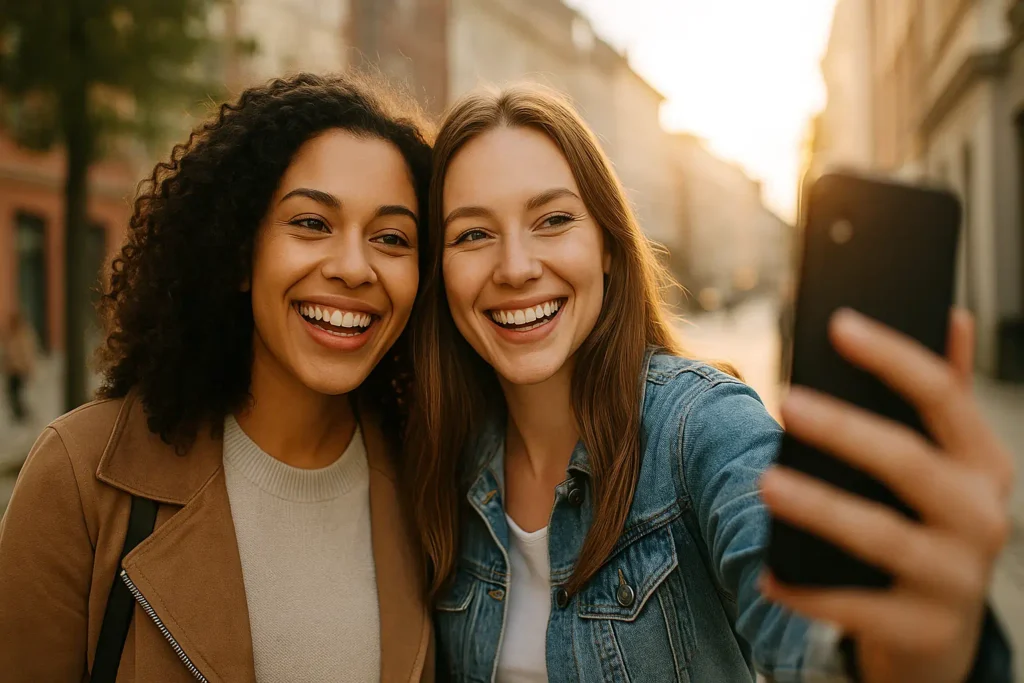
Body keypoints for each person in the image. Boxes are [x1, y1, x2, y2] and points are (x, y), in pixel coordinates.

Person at [406, 85, 1014, 682]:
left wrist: (911, 654)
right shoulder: (445, 458)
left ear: (608, 248)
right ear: (440, 269)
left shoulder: (704, 427)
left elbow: (809, 636)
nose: (516, 267)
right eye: (472, 234)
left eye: (554, 220)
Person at [0, 73, 435, 682]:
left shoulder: (432, 485)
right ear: (238, 253)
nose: (353, 268)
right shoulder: (78, 479)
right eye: (311, 223)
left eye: (391, 238)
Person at [2, 311, 38, 424]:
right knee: (12, 394)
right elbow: (7, 353)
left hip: (19, 370)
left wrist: (28, 368)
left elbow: (27, 354)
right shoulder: (11, 336)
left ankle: (23, 415)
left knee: (17, 394)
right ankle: (20, 415)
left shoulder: (24, 336)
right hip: (12, 370)